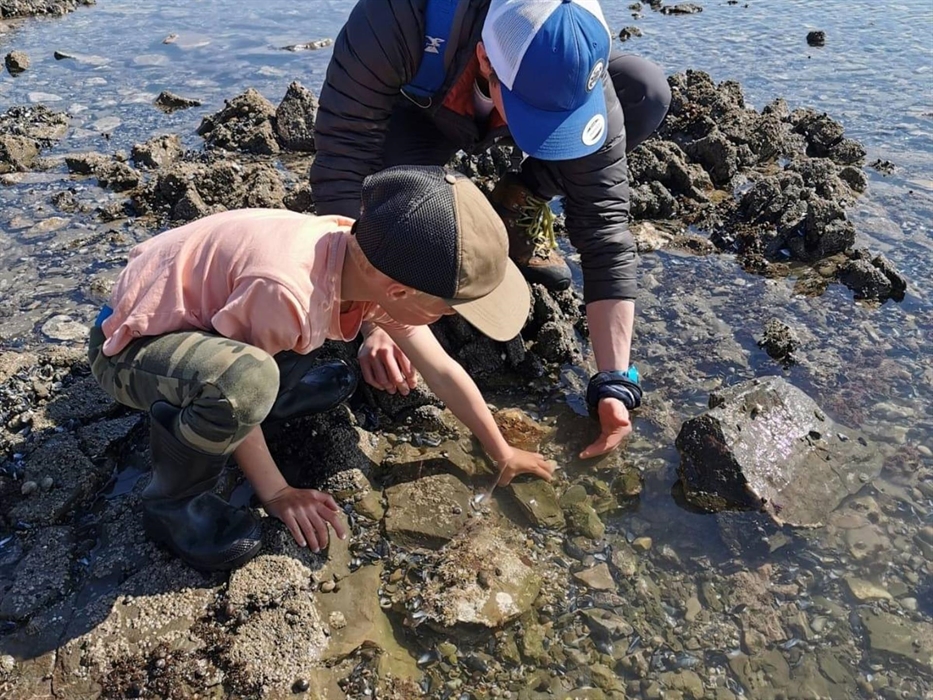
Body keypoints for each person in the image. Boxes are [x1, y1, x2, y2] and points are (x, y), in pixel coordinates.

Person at [87, 166, 555, 572]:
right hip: (130, 347)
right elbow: (239, 372)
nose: (450, 318)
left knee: (268, 365)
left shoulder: (371, 257)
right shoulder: (288, 292)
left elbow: (442, 369)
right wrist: (277, 493)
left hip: (216, 322)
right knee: (246, 381)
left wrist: (500, 450)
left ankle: (267, 398)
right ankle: (174, 504)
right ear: (399, 293)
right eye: (449, 309)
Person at [310, 0, 670, 461]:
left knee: (644, 89)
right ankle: (427, 198)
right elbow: (341, 160)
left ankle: (516, 200)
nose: (545, 139)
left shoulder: (573, 49)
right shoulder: (398, 16)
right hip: (421, 112)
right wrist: (371, 306)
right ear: (485, 57)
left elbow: (606, 231)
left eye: (562, 122)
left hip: (494, 99)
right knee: (388, 203)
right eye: (537, 117)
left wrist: (614, 380)